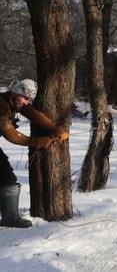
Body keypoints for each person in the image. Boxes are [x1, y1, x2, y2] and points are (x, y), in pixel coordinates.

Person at [0, 79, 68, 228]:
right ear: (16, 93)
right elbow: (10, 134)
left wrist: (54, 129)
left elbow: (35, 115)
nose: (26, 102)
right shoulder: (2, 106)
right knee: (7, 178)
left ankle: (9, 218)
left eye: (29, 99)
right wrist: (38, 142)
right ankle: (10, 218)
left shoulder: (14, 102)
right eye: (25, 98)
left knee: (7, 179)